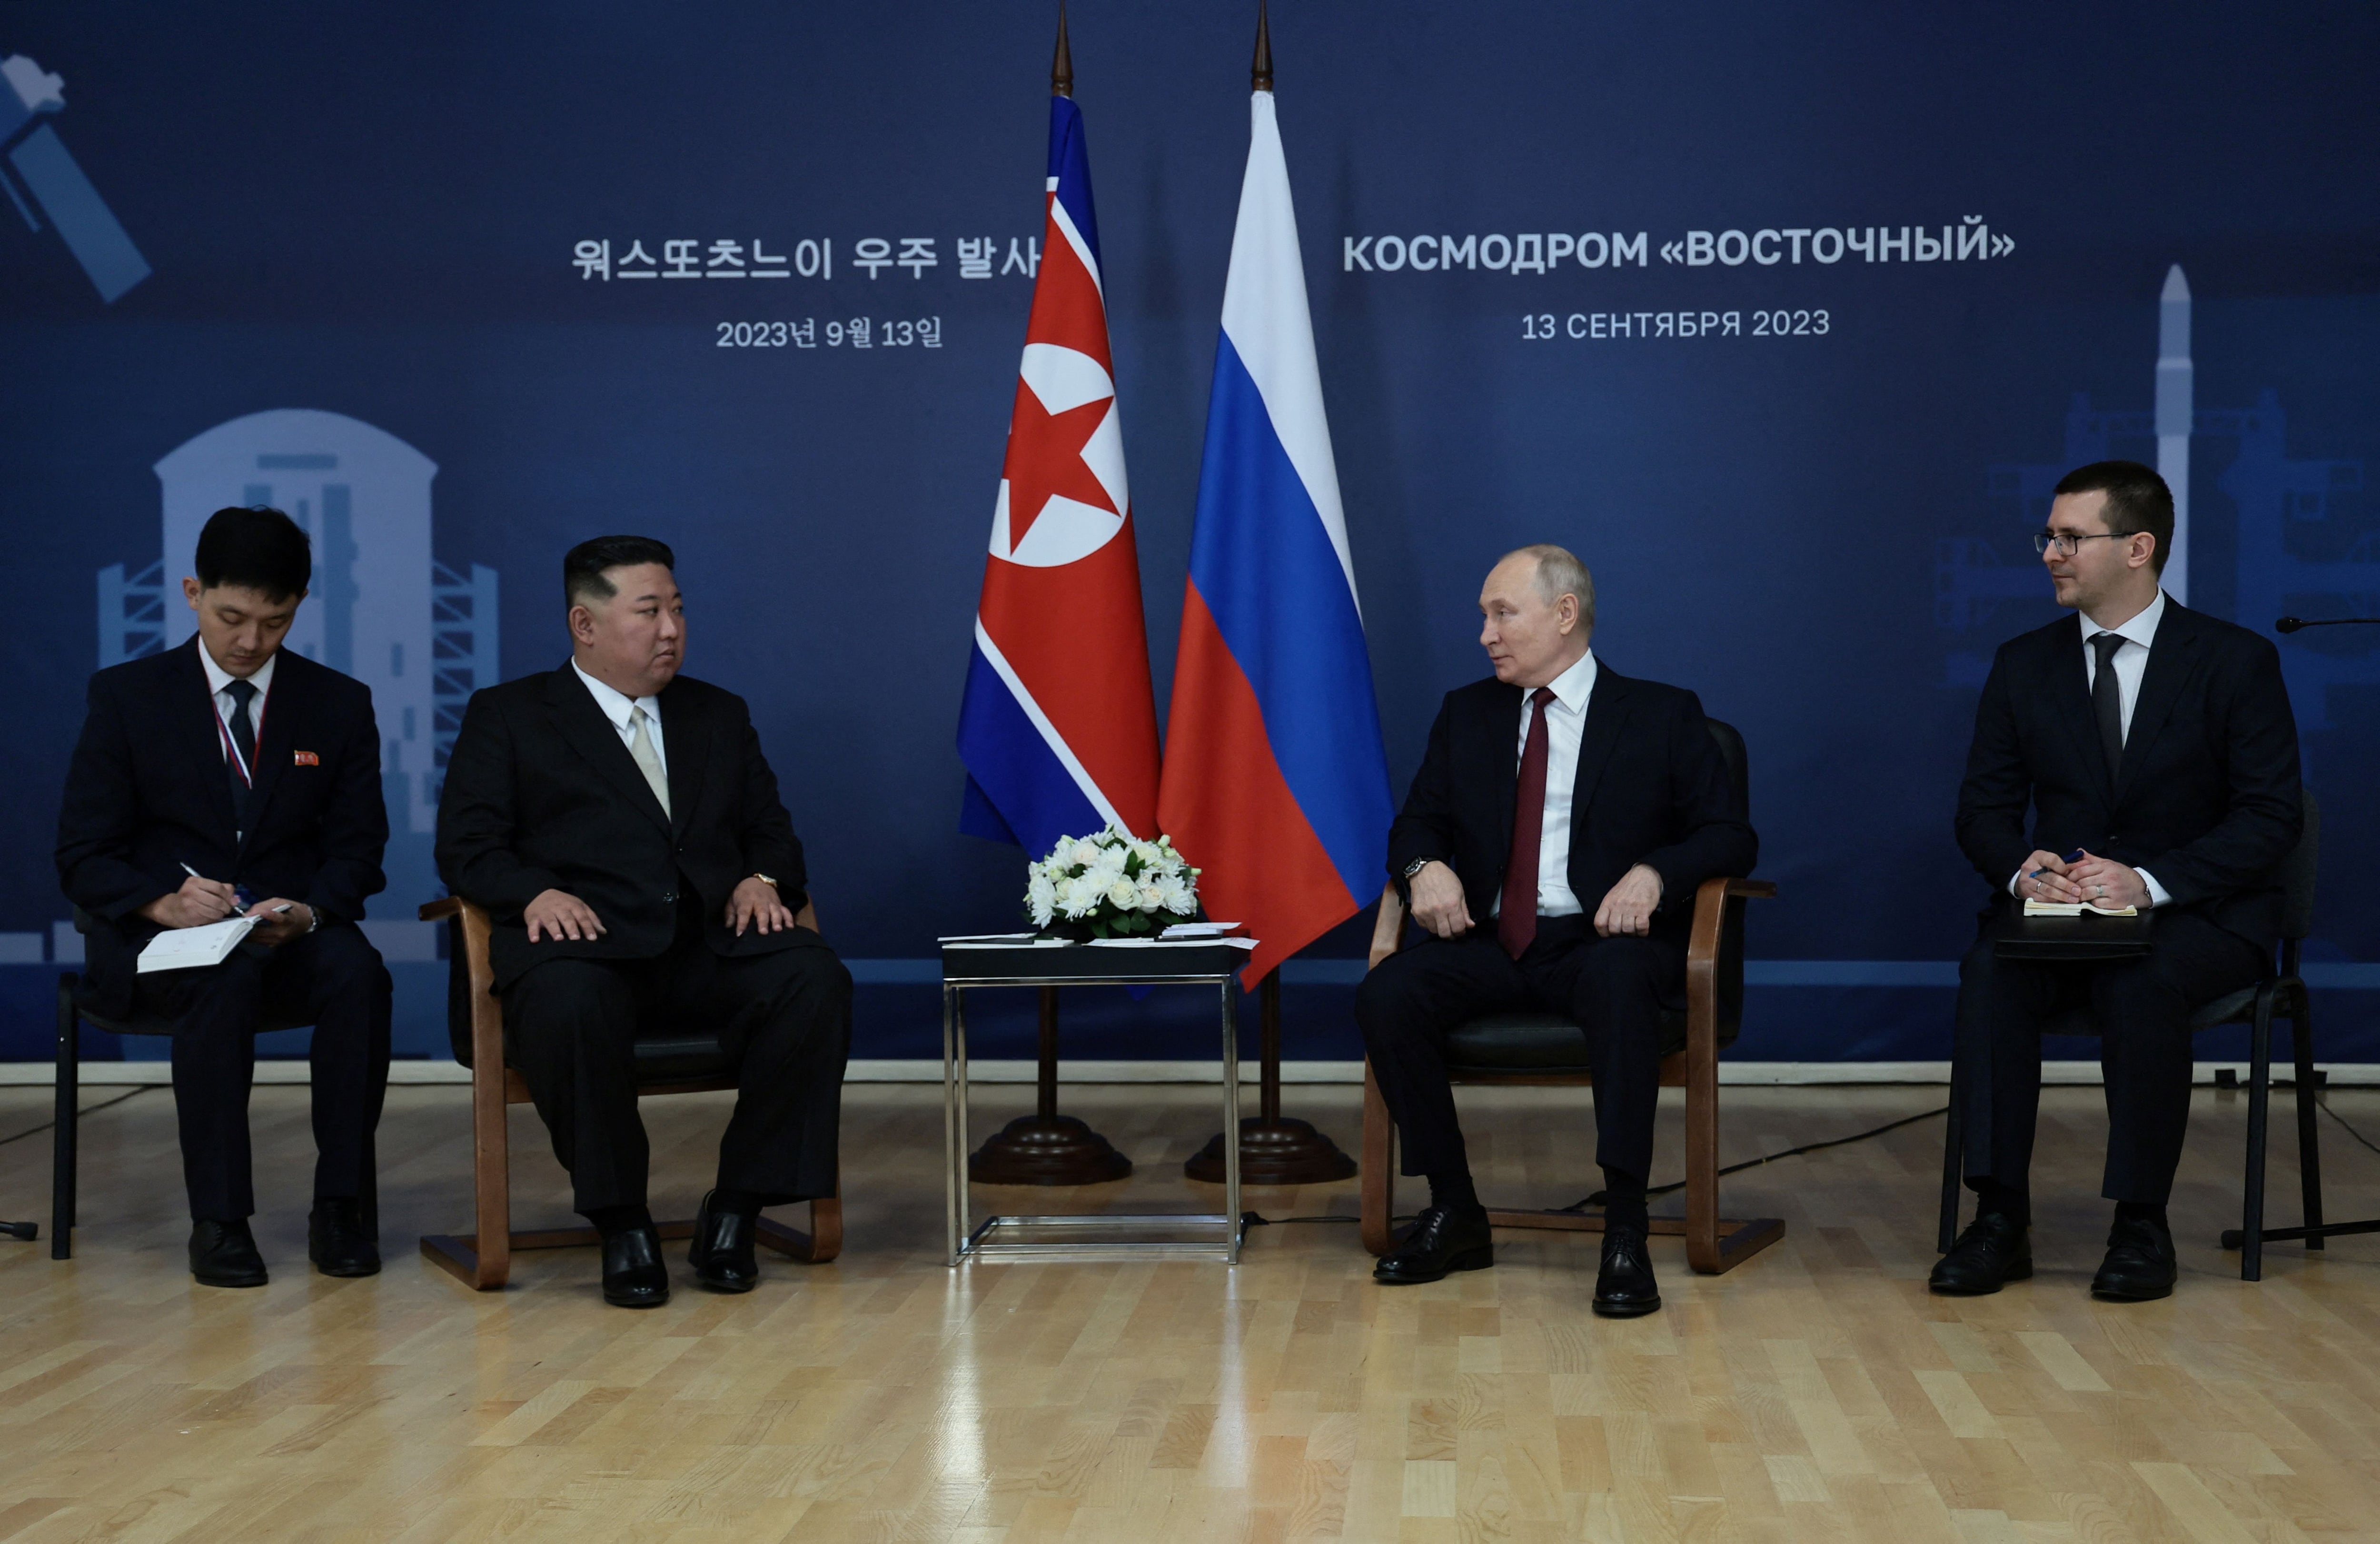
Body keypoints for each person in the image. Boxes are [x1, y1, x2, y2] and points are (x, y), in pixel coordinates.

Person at [436, 535, 850, 1309]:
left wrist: (764, 880)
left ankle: (738, 1208)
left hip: (706, 950)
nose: (671, 630)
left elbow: (773, 833)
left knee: (812, 977)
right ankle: (621, 1220)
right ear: (585, 625)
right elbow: (467, 846)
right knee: (569, 1000)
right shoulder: (512, 716)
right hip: (586, 954)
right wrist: (533, 894)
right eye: (650, 612)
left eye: (679, 611)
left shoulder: (717, 714)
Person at [1356, 545, 1757, 1315]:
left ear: (1564, 614)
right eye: (1484, 617)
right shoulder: (1467, 713)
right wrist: (1421, 869)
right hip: (1491, 942)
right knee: (1388, 993)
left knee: (1619, 981)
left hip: (1602, 945)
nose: (1486, 634)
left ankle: (1625, 1228)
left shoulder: (1661, 714)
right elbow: (1416, 824)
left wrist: (1655, 874)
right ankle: (1455, 1208)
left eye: (1502, 614)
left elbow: (1729, 837)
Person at [1937, 460, 2301, 1302]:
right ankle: (1998, 1219)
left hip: (2198, 916)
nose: (2050, 554)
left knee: (2142, 980)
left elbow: (2270, 817)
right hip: (2061, 916)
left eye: (2072, 539)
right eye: (2049, 537)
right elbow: (1982, 810)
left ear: (2138, 548)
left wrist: (2149, 881)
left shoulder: (2234, 661)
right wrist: (2023, 869)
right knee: (1991, 972)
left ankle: (2141, 1223)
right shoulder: (2024, 664)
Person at [56, 506, 393, 1288]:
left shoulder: (337, 704)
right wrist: (162, 903)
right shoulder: (128, 698)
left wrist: (309, 912)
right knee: (221, 977)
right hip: (159, 944)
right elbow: (81, 855)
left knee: (359, 975)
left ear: (299, 606)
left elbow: (358, 850)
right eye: (231, 617)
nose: (250, 641)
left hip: (285, 934)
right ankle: (220, 1220)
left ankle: (340, 1207)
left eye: (274, 623)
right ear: (192, 593)